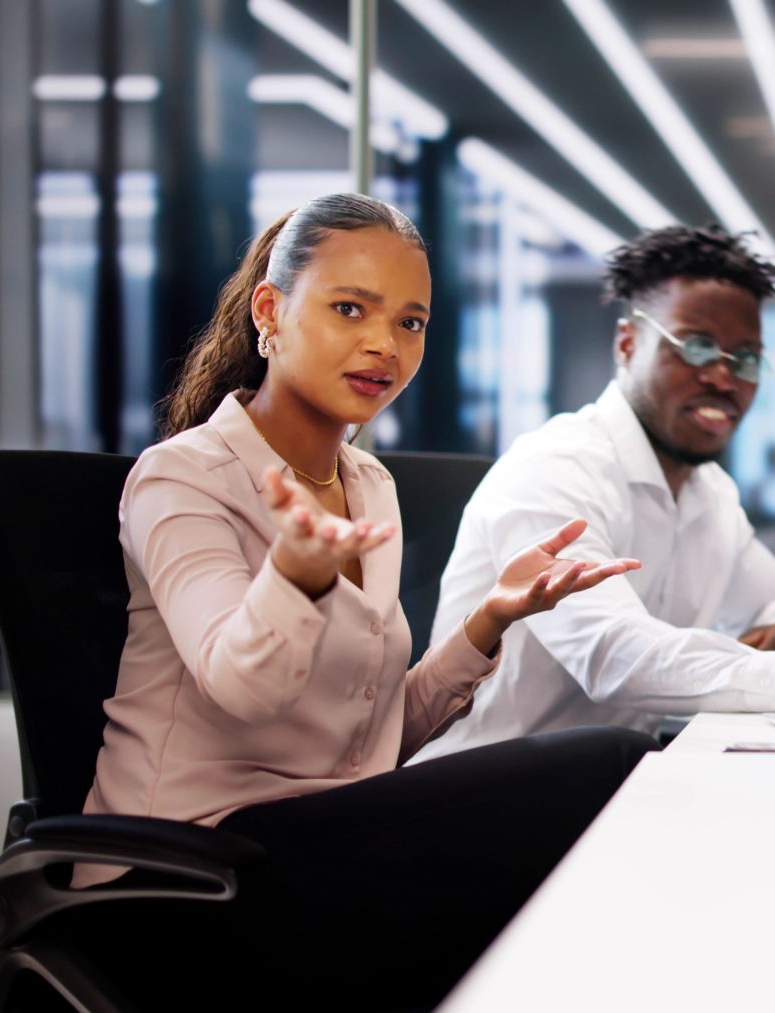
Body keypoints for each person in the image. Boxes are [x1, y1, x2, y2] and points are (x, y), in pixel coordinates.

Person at [77, 193, 653, 1008]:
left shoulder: (368, 484)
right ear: (270, 311)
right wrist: (297, 577)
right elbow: (240, 685)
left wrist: (491, 619)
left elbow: (370, 742)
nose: (385, 343)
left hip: (326, 851)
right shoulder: (184, 477)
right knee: (606, 762)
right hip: (189, 873)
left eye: (411, 322)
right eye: (351, 309)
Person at [413, 225, 775, 760]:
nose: (724, 377)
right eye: (696, 347)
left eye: (745, 359)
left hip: (614, 785)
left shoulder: (710, 494)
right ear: (627, 344)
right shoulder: (556, 467)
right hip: (481, 788)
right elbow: (612, 654)